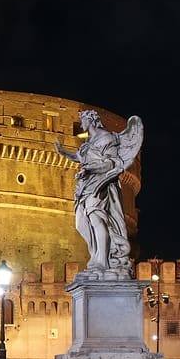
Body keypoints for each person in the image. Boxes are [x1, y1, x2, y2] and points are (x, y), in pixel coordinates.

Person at [54, 110, 143, 277]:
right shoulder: (89, 142)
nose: (81, 125)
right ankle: (97, 256)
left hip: (101, 184)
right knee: (82, 223)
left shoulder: (107, 138)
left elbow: (111, 164)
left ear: (92, 120)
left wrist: (90, 168)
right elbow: (82, 158)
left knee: (97, 218)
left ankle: (102, 261)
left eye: (83, 121)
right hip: (87, 184)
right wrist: (63, 153)